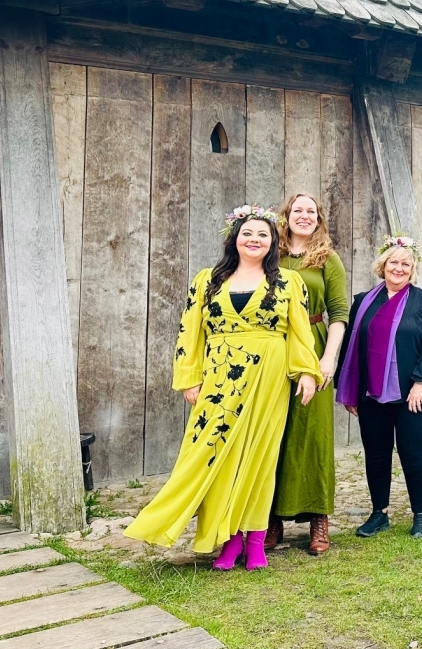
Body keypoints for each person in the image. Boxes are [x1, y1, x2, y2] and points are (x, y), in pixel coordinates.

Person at [124, 206, 320, 571]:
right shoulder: (206, 280)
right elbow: (189, 330)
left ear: (273, 241)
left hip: (269, 376)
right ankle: (226, 540)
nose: (255, 240)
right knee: (214, 453)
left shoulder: (290, 284)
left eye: (263, 235)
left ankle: (256, 540)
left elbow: (299, 331)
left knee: (260, 458)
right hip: (219, 379)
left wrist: (307, 372)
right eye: (248, 233)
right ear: (235, 238)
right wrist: (190, 377)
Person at [336, 235, 422, 539]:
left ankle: (420, 514)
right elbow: (351, 349)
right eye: (393, 262)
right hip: (371, 393)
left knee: (412, 452)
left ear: (412, 270)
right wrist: (351, 389)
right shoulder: (363, 301)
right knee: (377, 453)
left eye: (405, 264)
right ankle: (378, 513)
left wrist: (421, 383)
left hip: (413, 393)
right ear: (382, 266)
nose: (399, 268)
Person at [267, 193, 349, 556]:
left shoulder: (327, 260)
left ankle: (318, 517)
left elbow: (339, 313)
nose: (304, 216)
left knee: (313, 433)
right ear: (286, 215)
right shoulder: (271, 254)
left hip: (314, 346)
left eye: (310, 211)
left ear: (319, 220)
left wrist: (328, 359)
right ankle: (270, 519)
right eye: (297, 210)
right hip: (273, 348)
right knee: (272, 431)